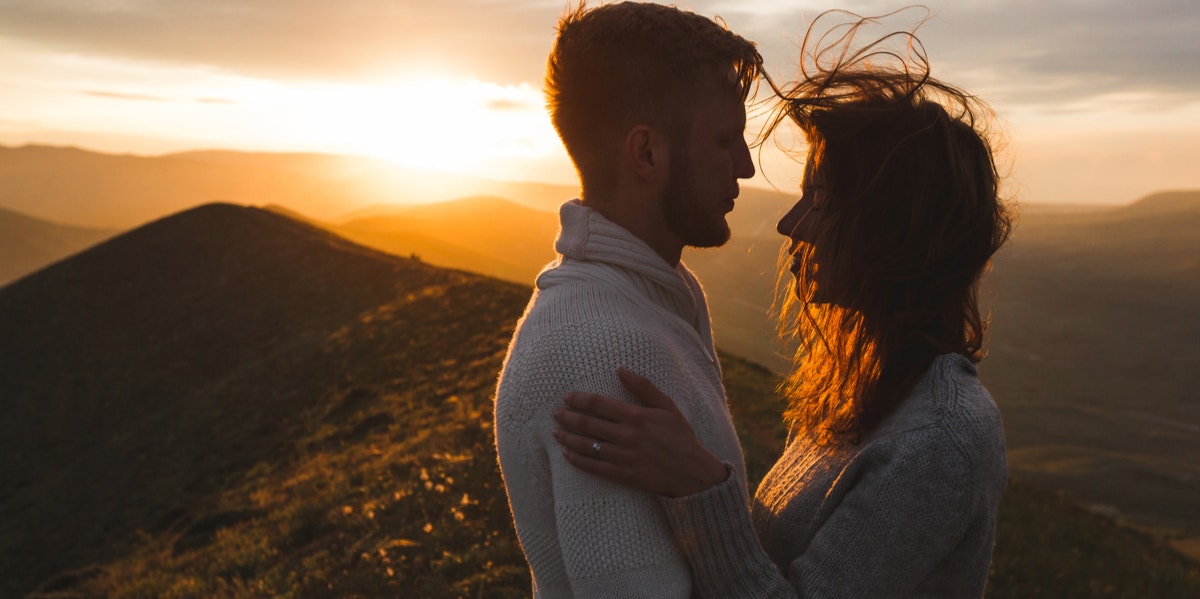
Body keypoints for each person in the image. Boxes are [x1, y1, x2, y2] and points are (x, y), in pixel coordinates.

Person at [552, 11, 1014, 598]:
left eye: (819, 200)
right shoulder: (864, 391)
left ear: (891, 229)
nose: (790, 224)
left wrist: (697, 483)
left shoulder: (938, 443)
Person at [492, 2, 762, 596]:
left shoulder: (652, 300)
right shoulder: (602, 352)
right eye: (725, 140)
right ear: (646, 154)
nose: (744, 166)